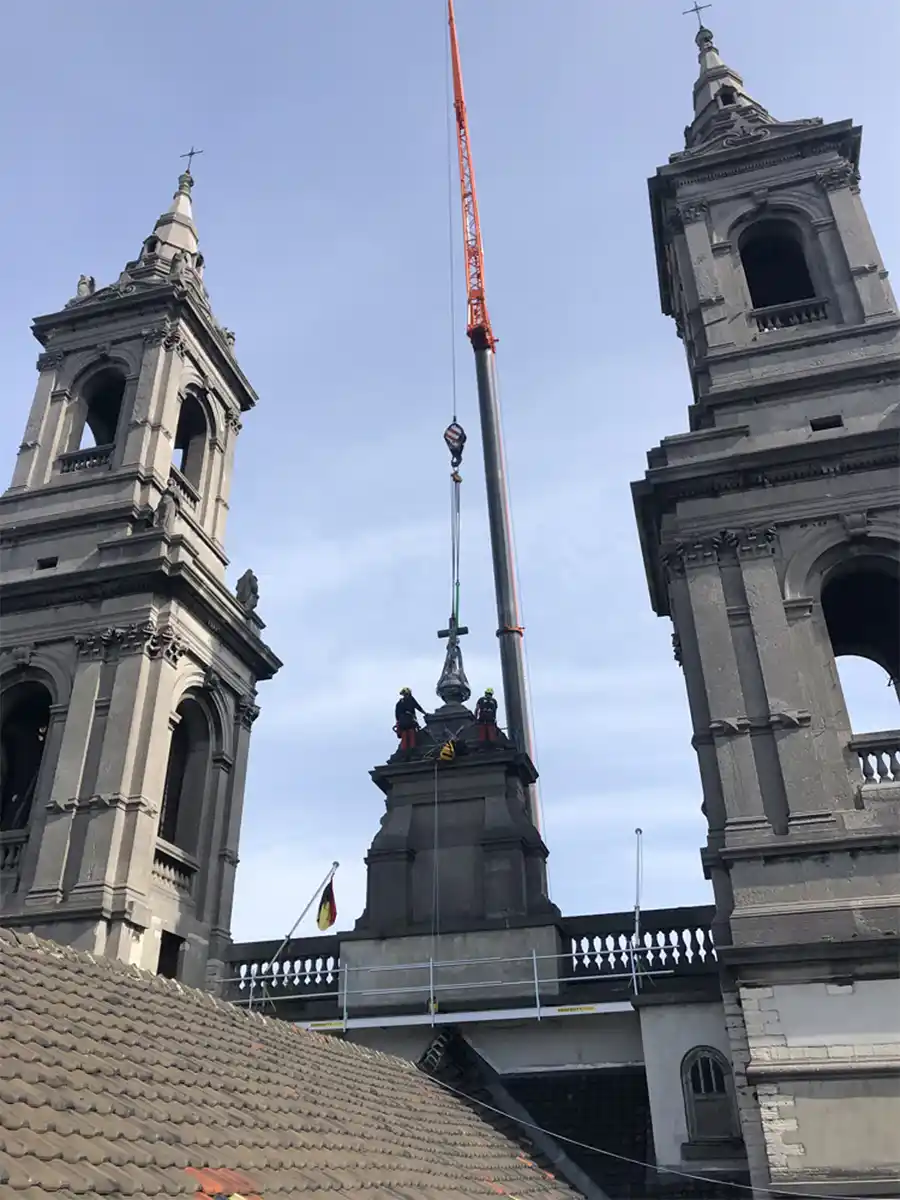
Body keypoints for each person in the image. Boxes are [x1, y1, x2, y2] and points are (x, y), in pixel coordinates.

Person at [394, 687, 425, 753]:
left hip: (402, 724)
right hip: (410, 722)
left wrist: (398, 723)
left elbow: (397, 715)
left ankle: (405, 752)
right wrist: (425, 713)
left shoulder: (399, 703)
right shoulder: (411, 700)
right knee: (412, 737)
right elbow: (418, 707)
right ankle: (412, 750)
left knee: (405, 738)